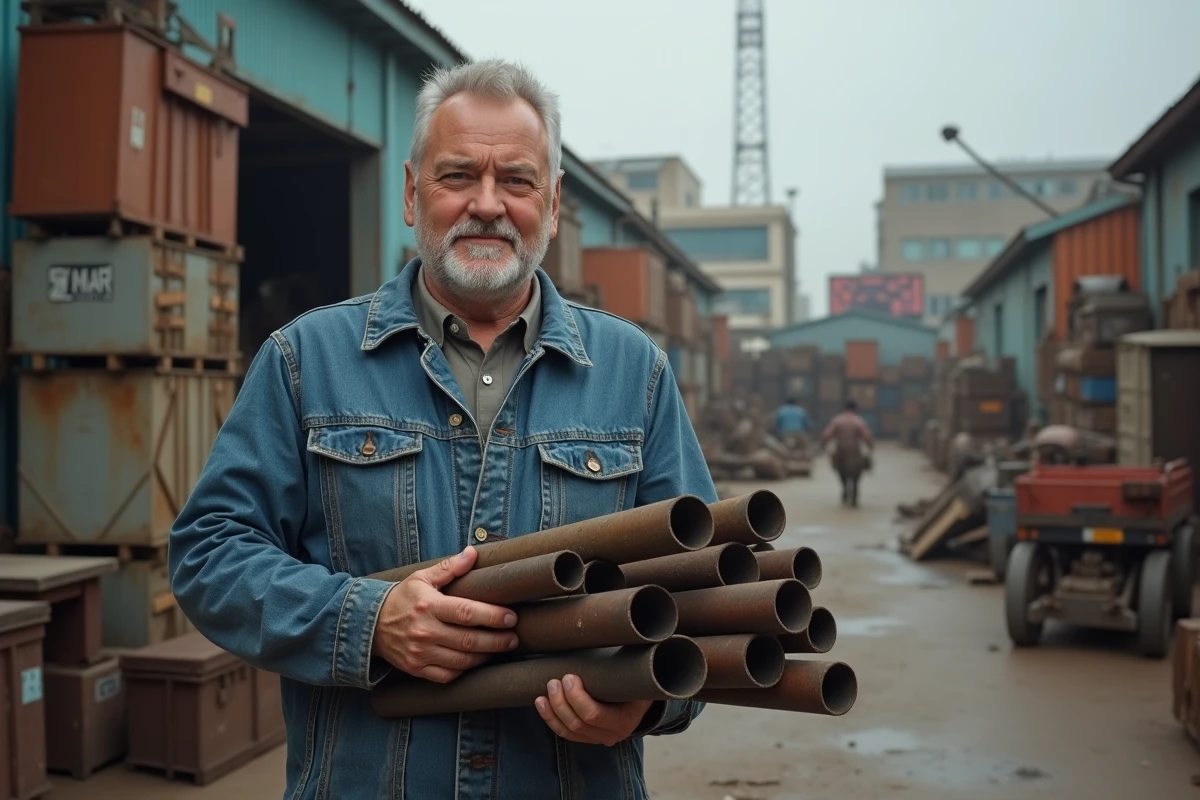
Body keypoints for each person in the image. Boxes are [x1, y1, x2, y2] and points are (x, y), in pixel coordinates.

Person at [168, 60, 716, 800]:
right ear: (410, 192)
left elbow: (705, 588)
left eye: (517, 181)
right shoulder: (305, 361)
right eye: (458, 175)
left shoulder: (634, 373)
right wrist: (366, 621)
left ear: (553, 204)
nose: (487, 205)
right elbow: (209, 554)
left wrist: (648, 700)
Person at [821, 399, 875, 507]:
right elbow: (867, 436)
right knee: (856, 475)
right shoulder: (858, 421)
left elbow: (826, 434)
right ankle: (854, 497)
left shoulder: (837, 420)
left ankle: (845, 489)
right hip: (855, 452)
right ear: (855, 408)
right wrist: (870, 447)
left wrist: (823, 446)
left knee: (841, 472)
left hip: (841, 451)